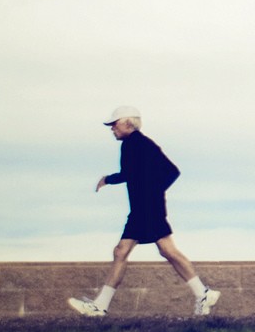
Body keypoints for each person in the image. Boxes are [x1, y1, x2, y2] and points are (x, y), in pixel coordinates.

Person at [68, 105, 220, 318]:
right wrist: (154, 191)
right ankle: (202, 293)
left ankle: (203, 293)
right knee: (130, 251)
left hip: (146, 208)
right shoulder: (143, 143)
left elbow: (131, 173)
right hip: (145, 207)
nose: (112, 128)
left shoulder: (134, 144)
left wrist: (109, 180)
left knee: (152, 251)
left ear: (127, 123)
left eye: (114, 124)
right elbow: (169, 172)